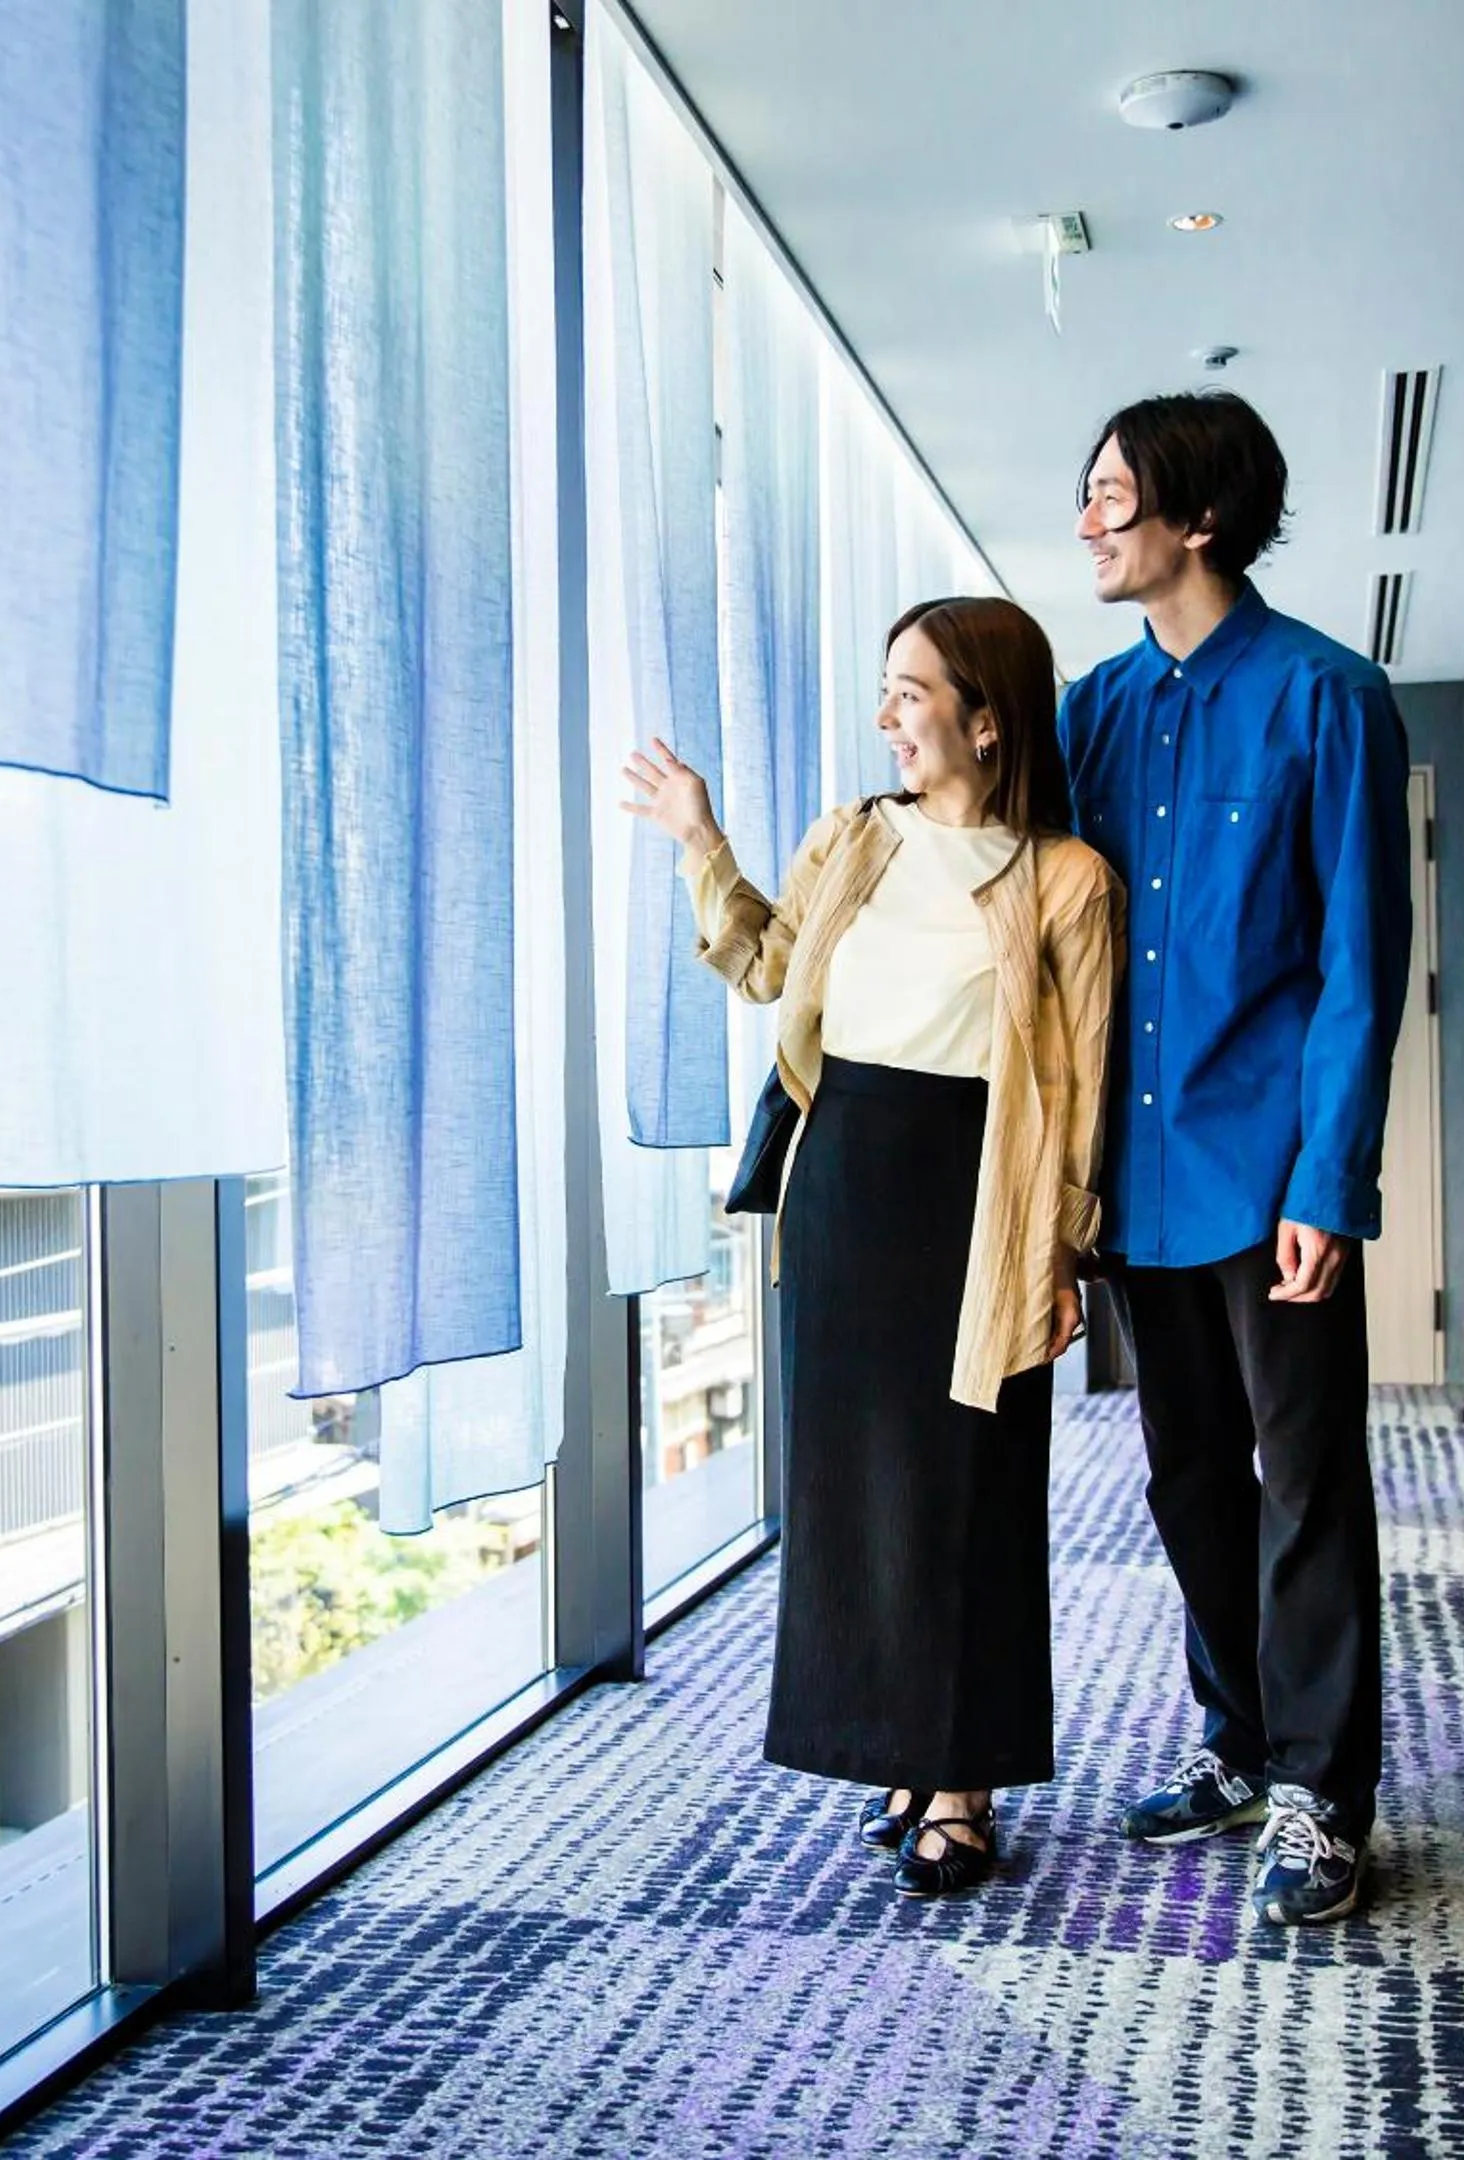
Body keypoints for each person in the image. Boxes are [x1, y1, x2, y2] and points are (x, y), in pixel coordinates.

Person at [622, 596, 1122, 1899]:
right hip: (845, 1179)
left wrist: (1063, 1253)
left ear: (988, 716)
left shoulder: (1066, 879)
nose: (888, 715)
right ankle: (899, 1750)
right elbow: (769, 969)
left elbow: (1080, 1086)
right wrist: (697, 839)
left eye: (911, 691)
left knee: (971, 1487)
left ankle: (962, 1779)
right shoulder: (855, 837)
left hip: (981, 1197)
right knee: (859, 1488)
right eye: (886, 689)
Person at [1059, 390, 1413, 1926]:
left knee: (1307, 1483)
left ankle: (1325, 1797)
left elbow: (1359, 962)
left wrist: (1327, 1181)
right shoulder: (1090, 711)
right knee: (1188, 1479)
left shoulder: (1331, 697)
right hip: (1132, 1185)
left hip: (1268, 1180)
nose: (1089, 521)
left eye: (1113, 497)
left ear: (1198, 519)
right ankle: (1240, 1742)